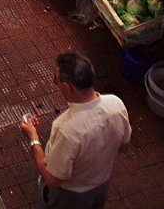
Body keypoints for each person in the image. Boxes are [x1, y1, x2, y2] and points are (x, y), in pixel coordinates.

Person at [20, 51, 131, 209]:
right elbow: (124, 146)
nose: (56, 83)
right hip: (101, 186)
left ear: (67, 87)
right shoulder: (116, 104)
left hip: (70, 198)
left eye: (56, 79)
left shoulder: (67, 128)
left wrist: (33, 138)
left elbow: (52, 180)